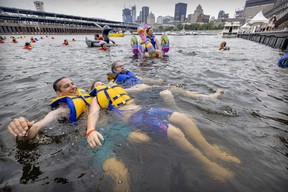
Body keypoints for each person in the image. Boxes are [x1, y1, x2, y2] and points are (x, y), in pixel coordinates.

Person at [87, 81, 241, 189]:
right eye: (97, 84)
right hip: (135, 117)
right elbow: (93, 113)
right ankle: (207, 164)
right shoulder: (96, 98)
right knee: (175, 132)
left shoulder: (120, 89)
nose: (101, 85)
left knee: (184, 118)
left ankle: (209, 149)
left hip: (146, 108)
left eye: (102, 82)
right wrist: (91, 130)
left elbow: (140, 90)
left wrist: (160, 86)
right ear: (93, 89)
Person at [7, 77, 93, 140]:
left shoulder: (85, 96)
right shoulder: (62, 110)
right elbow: (38, 125)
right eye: (67, 86)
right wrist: (26, 131)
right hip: (84, 136)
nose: (73, 87)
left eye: (72, 83)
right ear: (59, 93)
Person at [107, 61, 223, 100]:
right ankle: (208, 97)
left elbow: (142, 79)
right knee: (175, 89)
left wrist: (158, 81)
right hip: (141, 92)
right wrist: (135, 90)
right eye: (120, 66)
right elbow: (111, 88)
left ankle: (205, 97)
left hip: (147, 89)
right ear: (114, 70)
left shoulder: (128, 74)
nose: (123, 67)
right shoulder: (114, 80)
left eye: (123, 65)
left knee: (176, 89)